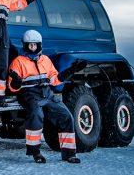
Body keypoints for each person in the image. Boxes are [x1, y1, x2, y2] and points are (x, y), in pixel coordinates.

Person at [8, 30, 87, 164]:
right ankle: (35, 152)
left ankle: (69, 154)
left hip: (47, 94)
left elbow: (54, 80)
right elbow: (12, 87)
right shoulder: (18, 62)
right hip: (29, 95)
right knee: (36, 115)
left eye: (35, 45)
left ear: (40, 45)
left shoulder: (46, 60)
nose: (32, 48)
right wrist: (16, 81)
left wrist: (70, 71)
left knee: (66, 116)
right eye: (29, 45)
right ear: (25, 46)